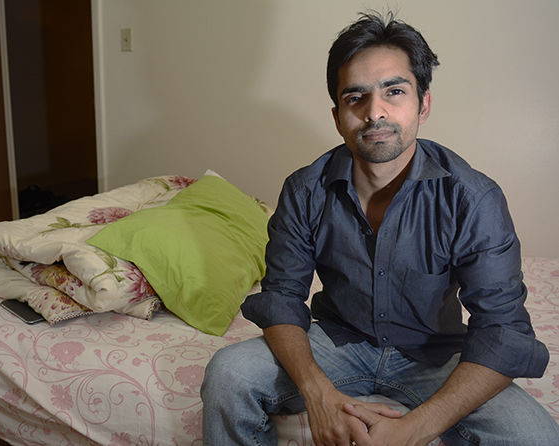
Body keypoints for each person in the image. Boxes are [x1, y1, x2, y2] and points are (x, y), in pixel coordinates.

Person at [200, 11, 559, 446]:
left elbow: (503, 332)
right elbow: (280, 300)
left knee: (535, 436)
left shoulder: (472, 197)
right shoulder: (305, 189)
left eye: (394, 91)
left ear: (423, 104)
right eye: (356, 98)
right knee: (228, 375)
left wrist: (413, 429)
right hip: (335, 343)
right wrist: (319, 394)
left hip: (434, 356)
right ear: (337, 116)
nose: (375, 113)